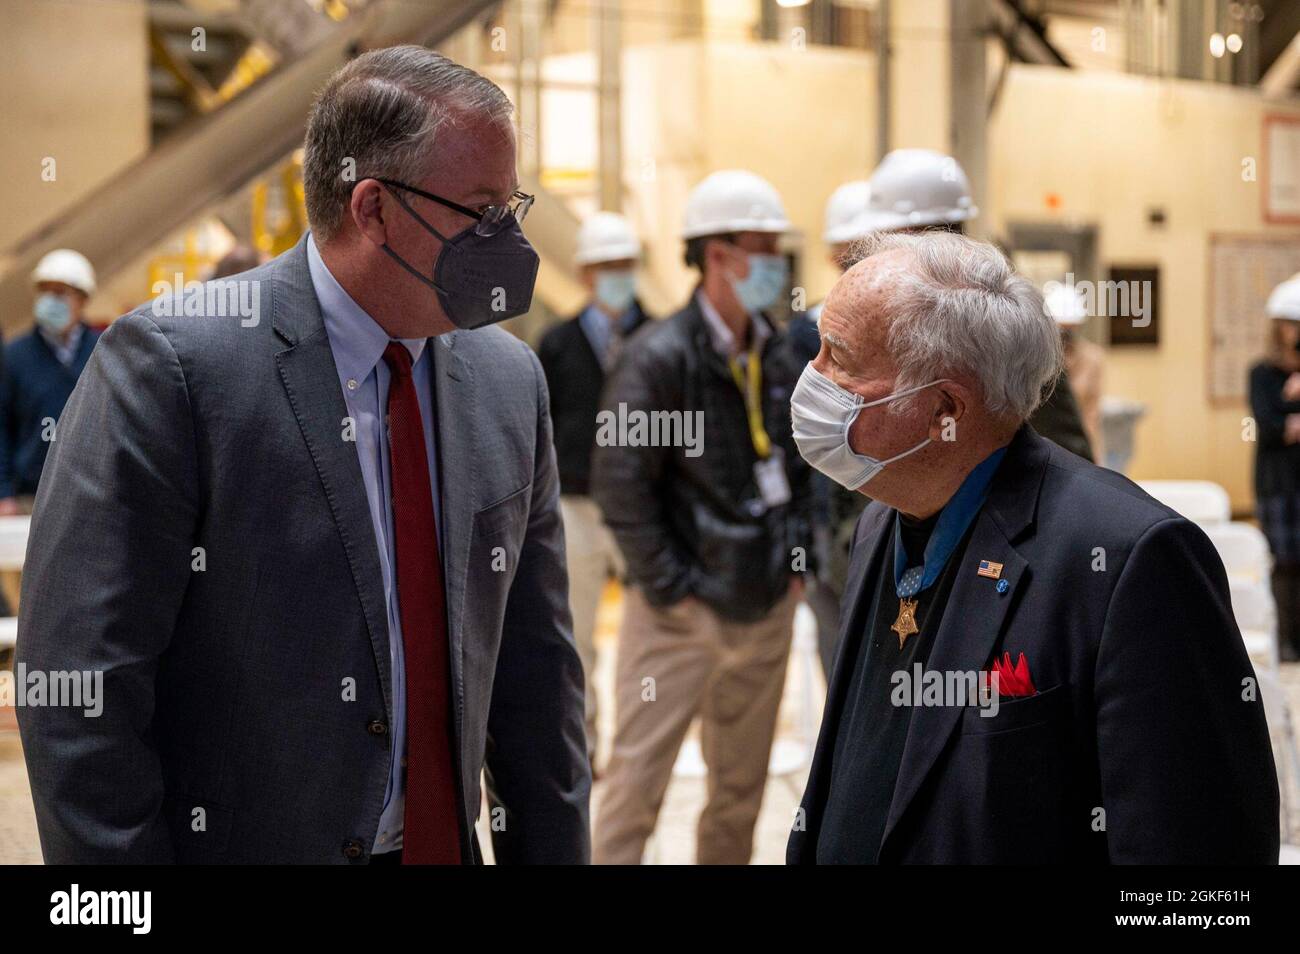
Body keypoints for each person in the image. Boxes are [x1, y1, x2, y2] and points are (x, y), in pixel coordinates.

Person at [17, 46, 590, 865]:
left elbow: (537, 681)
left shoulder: (507, 382)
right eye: (481, 209)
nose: (507, 238)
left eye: (513, 205)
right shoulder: (177, 370)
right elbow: (80, 694)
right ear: (375, 209)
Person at [788, 230, 1278, 864]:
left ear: (944, 409)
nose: (811, 379)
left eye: (839, 357)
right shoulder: (882, 521)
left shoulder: (1128, 560)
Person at [591, 169, 812, 864]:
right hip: (679, 617)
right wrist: (670, 587)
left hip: (764, 603)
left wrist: (795, 563)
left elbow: (805, 468)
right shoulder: (658, 357)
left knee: (739, 793)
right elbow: (621, 485)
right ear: (716, 254)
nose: (776, 266)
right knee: (636, 788)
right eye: (762, 248)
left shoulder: (778, 350)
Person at [538, 211, 651, 769]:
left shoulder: (658, 339)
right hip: (576, 509)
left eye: (625, 265)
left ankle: (638, 749)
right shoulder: (556, 345)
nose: (617, 275)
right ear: (584, 274)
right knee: (577, 637)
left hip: (644, 514)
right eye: (607, 267)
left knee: (649, 641)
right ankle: (583, 748)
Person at [0, 249, 101, 516]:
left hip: (90, 495)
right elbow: (2, 426)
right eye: (45, 292)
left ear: (83, 299)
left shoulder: (103, 352)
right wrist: (4, 492)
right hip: (29, 497)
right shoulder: (14, 356)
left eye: (60, 293)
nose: (50, 301)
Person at [1250, 272, 1300, 663]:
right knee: (1283, 562)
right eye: (1288, 325)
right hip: (1277, 482)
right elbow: (1266, 427)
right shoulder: (1262, 373)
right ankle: (1284, 640)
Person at [1045, 282, 1105, 461]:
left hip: (1076, 449)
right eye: (1062, 328)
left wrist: (1092, 460)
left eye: (1070, 327)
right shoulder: (1039, 359)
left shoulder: (1092, 358)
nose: (1066, 334)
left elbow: (1091, 414)